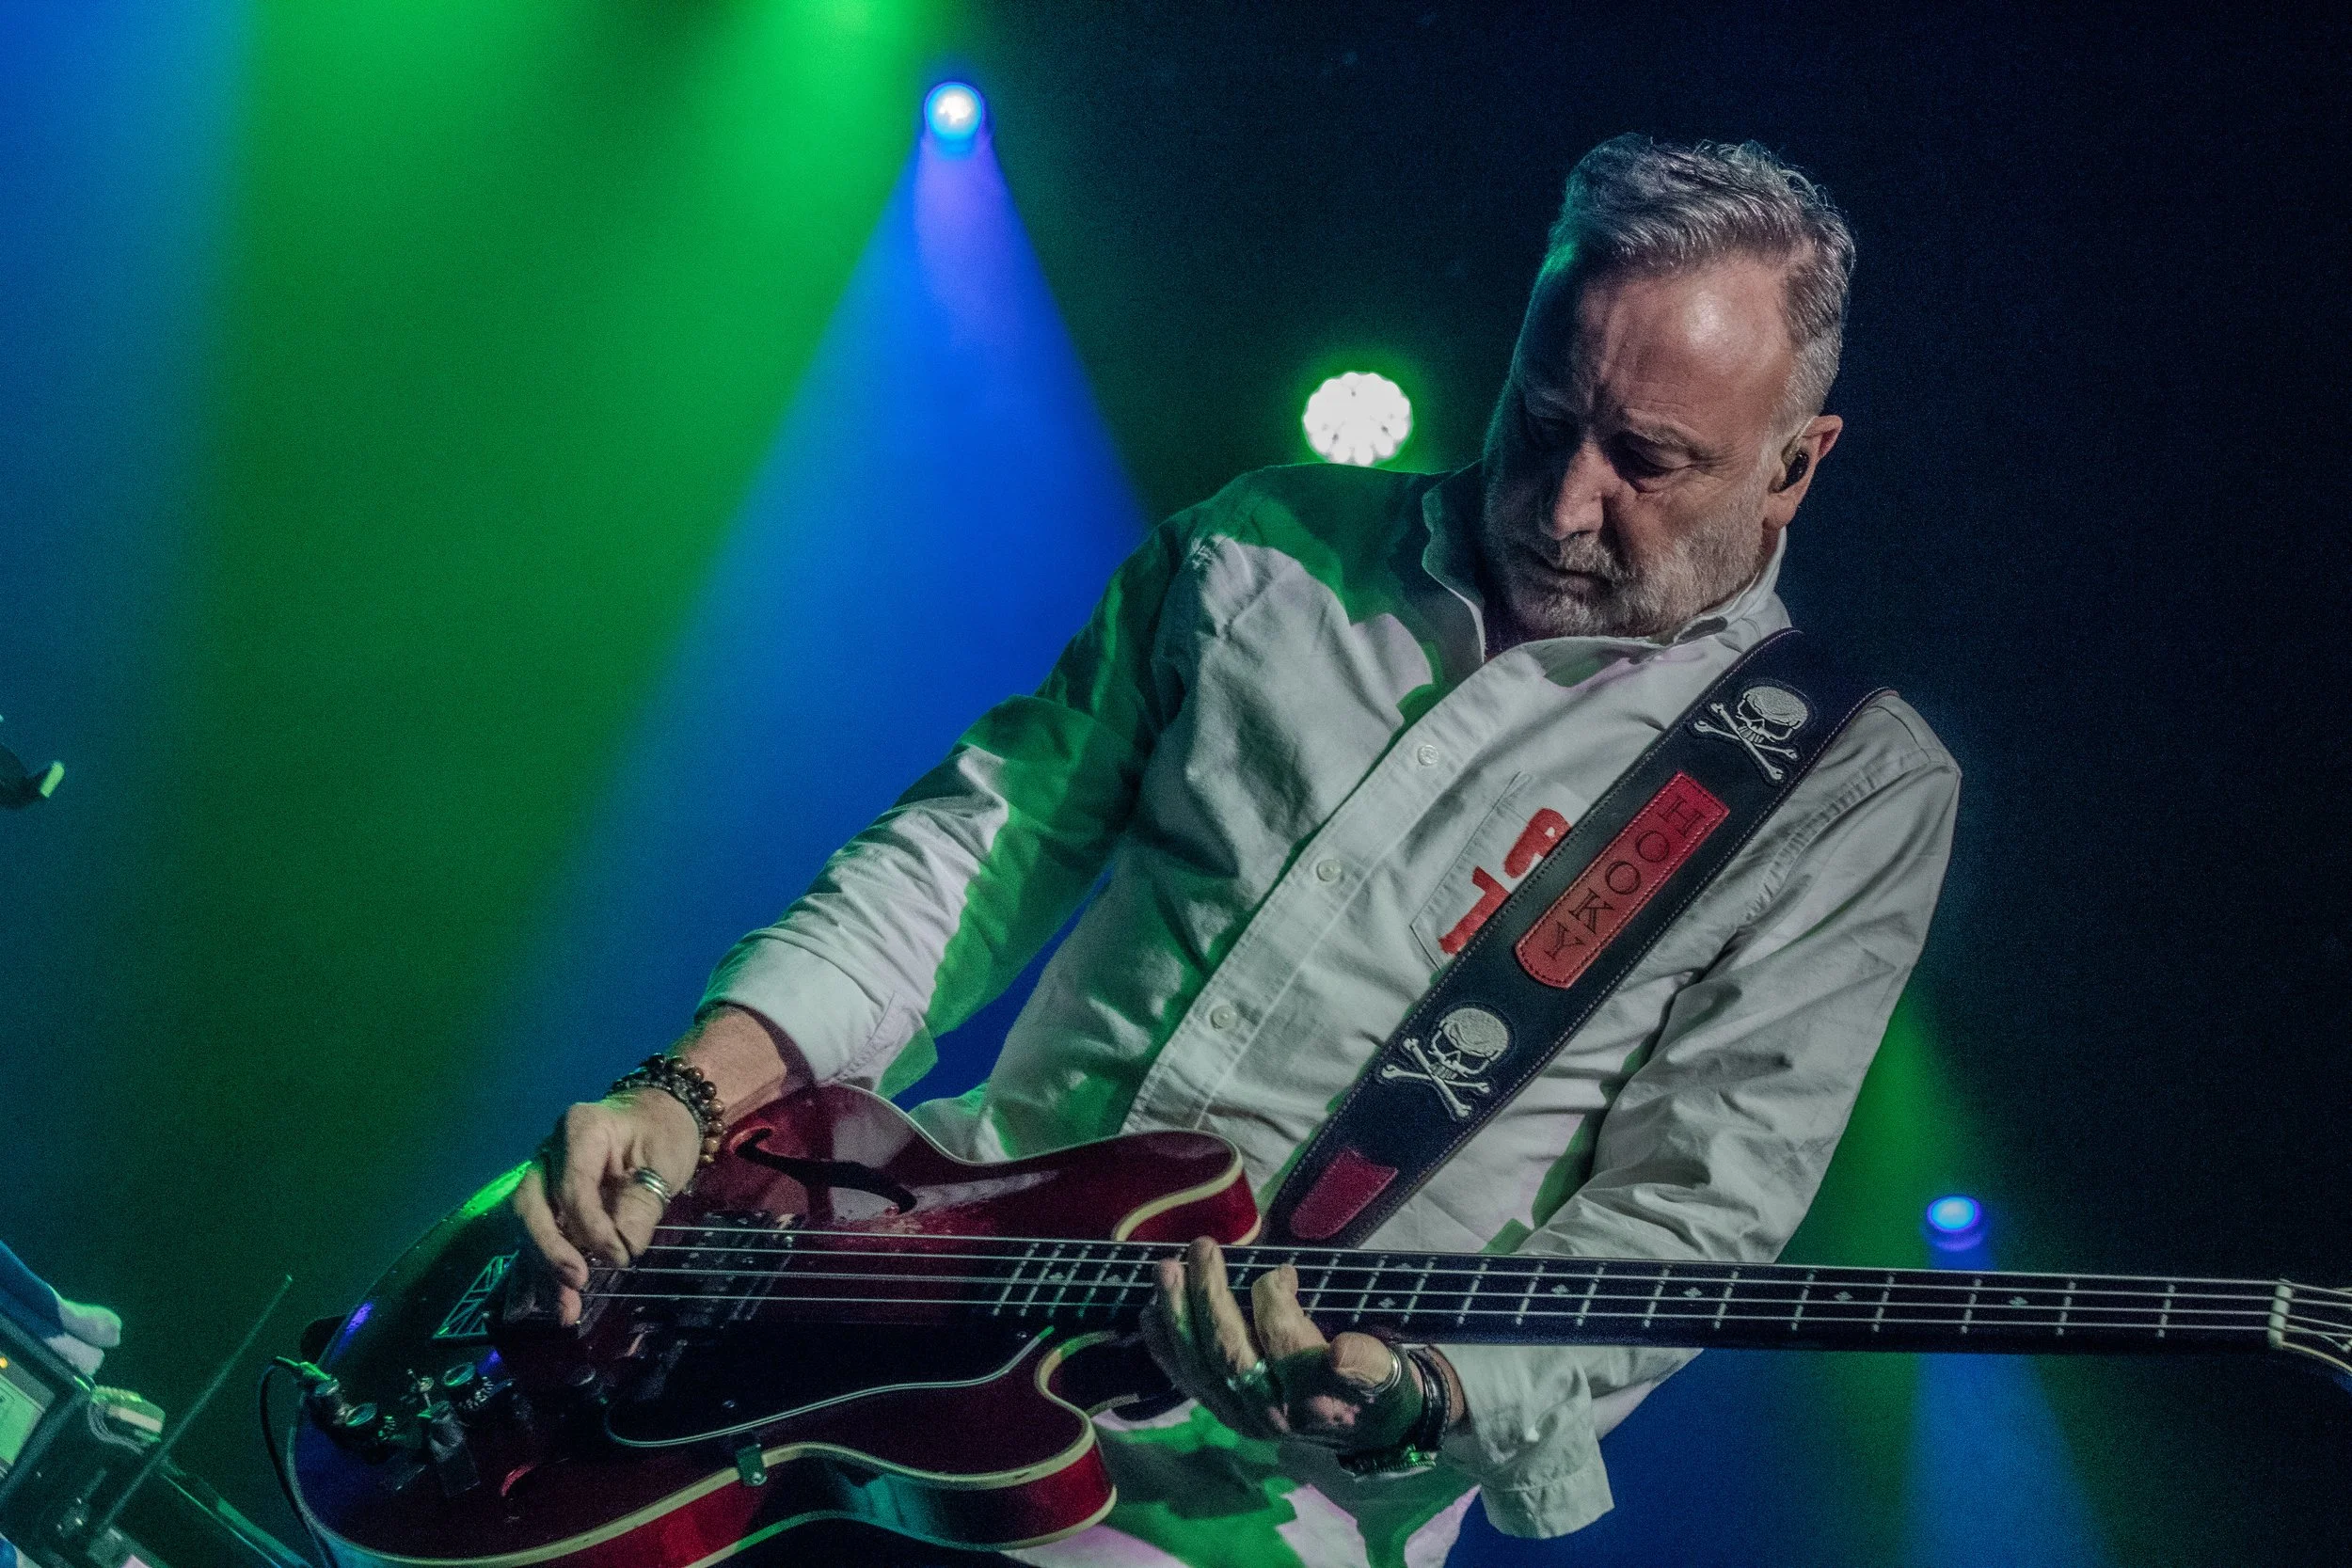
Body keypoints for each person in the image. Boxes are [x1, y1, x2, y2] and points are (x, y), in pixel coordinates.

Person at [512, 134, 1960, 1568]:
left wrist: (1422, 1388)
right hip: (891, 1311)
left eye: (1649, 462)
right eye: (1539, 417)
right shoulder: (1262, 549)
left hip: (1243, 1504)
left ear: (1794, 468)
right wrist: (697, 1087)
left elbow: (1691, 1219)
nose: (1567, 498)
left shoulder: (1841, 793)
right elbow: (973, 851)